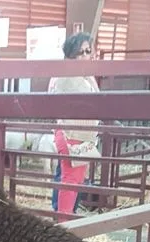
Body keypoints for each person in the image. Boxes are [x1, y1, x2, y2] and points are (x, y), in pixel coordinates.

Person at [48, 32, 101, 215]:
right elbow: (91, 103)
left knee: (75, 180)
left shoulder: (84, 75)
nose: (87, 55)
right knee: (70, 180)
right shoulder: (68, 77)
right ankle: (63, 221)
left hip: (83, 134)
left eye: (88, 51)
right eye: (82, 52)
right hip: (72, 133)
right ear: (72, 55)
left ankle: (65, 217)